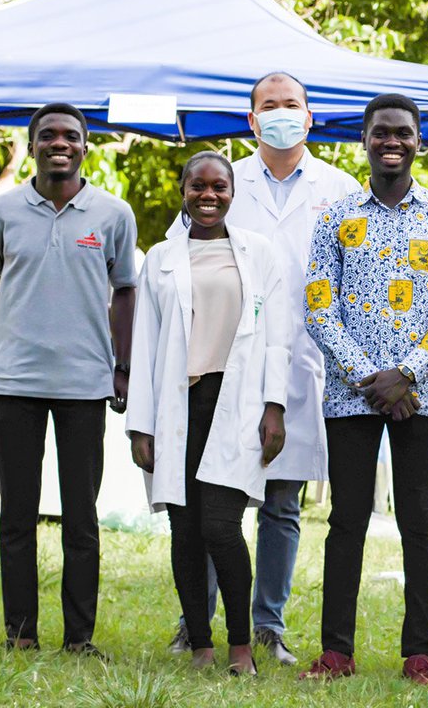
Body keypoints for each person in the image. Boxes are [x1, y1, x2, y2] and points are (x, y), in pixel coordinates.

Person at [162, 72, 361, 665]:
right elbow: (180, 263)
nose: (280, 113)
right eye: (268, 106)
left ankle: (268, 627)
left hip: (303, 364)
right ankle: (195, 622)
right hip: (224, 368)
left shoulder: (339, 187)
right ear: (251, 120)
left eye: (291, 104)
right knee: (210, 502)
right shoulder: (224, 179)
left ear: (310, 115)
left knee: (281, 503)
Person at [300, 93, 428, 684]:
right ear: (365, 140)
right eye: (381, 133)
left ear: (418, 142)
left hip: (420, 396)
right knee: (345, 520)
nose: (391, 142)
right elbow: (319, 306)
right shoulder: (335, 215)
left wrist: (409, 375)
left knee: (418, 523)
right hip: (353, 394)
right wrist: (372, 380)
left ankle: (419, 654)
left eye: (403, 133)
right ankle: (336, 652)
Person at [0, 102, 137, 656]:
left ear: (86, 146)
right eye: (48, 135)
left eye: (71, 136)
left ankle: (80, 640)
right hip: (13, 381)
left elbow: (126, 291)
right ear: (33, 144)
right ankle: (21, 635)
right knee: (16, 515)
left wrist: (122, 366)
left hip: (85, 385)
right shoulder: (3, 211)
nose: (60, 143)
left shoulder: (113, 214)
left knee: (81, 520)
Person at [127, 151, 290, 674]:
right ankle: (200, 644)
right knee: (185, 530)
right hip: (180, 404)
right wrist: (140, 425)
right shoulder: (161, 258)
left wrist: (275, 406)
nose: (208, 196)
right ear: (183, 191)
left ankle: (241, 647)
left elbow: (276, 337)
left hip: (236, 402)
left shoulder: (259, 253)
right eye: (198, 186)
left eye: (218, 187)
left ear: (231, 193)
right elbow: (145, 347)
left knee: (221, 527)